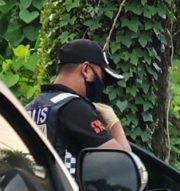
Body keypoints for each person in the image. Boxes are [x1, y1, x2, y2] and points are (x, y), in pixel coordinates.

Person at [26, 39, 130, 175]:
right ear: (86, 69)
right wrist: (114, 124)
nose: (101, 85)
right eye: (100, 77)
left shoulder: (29, 108)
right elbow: (124, 165)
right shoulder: (74, 107)